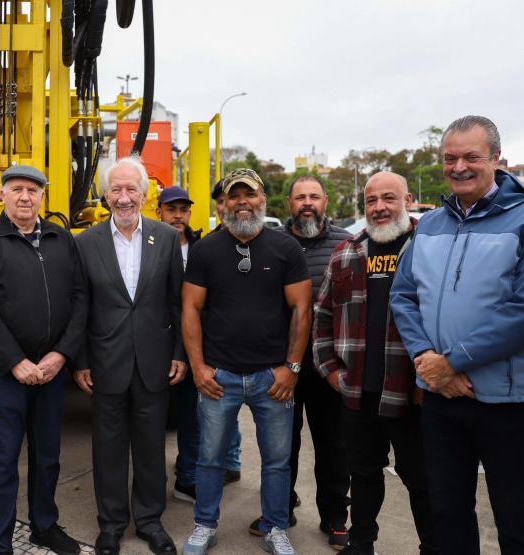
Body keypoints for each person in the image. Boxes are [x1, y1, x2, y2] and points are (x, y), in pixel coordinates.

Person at [391, 115, 524, 555]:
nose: (459, 166)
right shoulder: (431, 225)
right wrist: (429, 363)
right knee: (449, 515)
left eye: (471, 157)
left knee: (517, 522)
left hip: (507, 403)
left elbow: (520, 310)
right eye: (450, 158)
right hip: (441, 400)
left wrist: (451, 362)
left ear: (497, 158)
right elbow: (403, 297)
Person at [181, 168, 311, 555]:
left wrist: (292, 368)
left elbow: (301, 311)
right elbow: (190, 309)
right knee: (209, 459)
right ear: (222, 203)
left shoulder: (285, 248)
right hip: (219, 375)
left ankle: (275, 527)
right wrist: (199, 367)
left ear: (262, 199)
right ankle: (205, 525)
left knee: (276, 460)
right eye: (233, 196)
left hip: (272, 377)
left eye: (248, 194)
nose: (241, 202)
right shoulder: (206, 250)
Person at [314, 172, 438, 555]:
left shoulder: (430, 247)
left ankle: (432, 547)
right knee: (363, 475)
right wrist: (332, 372)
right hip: (358, 393)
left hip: (412, 392)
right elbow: (322, 316)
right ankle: (361, 543)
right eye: (372, 201)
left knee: (421, 479)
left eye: (389, 198)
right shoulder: (346, 253)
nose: (380, 208)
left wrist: (430, 380)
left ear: (407, 199)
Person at [0, 165, 86, 555]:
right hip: (4, 373)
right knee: (1, 464)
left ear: (42, 196)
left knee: (47, 455)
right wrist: (15, 361)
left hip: (50, 371)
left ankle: (44, 526)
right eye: (16, 189)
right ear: (3, 194)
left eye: (33, 190)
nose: (24, 197)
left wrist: (60, 354)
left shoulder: (60, 238)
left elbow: (80, 298)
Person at [73, 158, 185, 555]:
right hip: (105, 364)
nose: (124, 198)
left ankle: (151, 522)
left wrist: (179, 353)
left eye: (131, 190)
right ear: (105, 196)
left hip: (155, 363)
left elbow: (177, 302)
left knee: (152, 448)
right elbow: (80, 308)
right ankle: (112, 524)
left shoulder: (167, 239)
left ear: (144, 194)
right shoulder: (84, 243)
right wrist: (82, 360)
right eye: (116, 190)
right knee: (108, 449)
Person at [262, 175, 350, 550]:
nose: (308, 203)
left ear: (326, 201)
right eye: (301, 197)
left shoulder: (346, 243)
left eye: (314, 196)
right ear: (289, 204)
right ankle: (281, 508)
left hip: (328, 366)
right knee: (282, 445)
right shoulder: (271, 244)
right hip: (282, 365)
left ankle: (334, 517)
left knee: (333, 446)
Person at [156, 185, 242, 505]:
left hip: (197, 347)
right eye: (170, 209)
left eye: (183, 210)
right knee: (154, 417)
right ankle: (153, 480)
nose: (177, 216)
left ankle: (188, 477)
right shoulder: (149, 247)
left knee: (194, 417)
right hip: (158, 344)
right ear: (159, 212)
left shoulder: (202, 247)